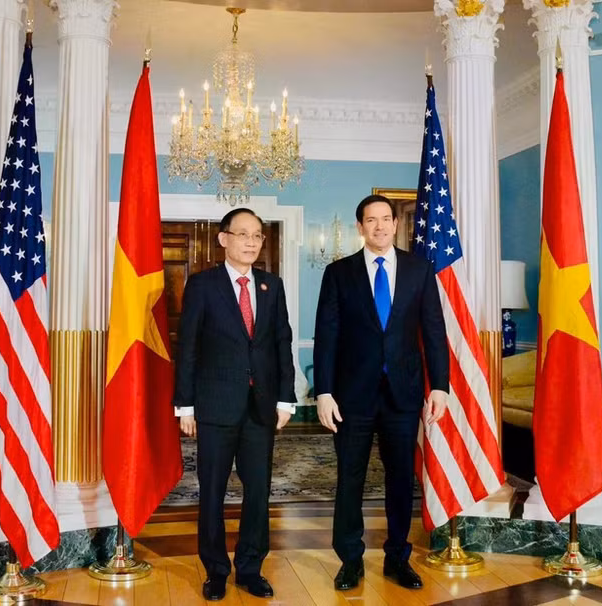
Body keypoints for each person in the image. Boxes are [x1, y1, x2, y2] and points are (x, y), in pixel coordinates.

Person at [314, 194, 449, 591]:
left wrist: (439, 385)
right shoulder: (339, 273)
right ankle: (350, 560)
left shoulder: (419, 270)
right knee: (350, 478)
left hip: (403, 396)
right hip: (351, 396)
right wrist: (324, 391)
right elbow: (327, 337)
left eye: (386, 219)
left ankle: (397, 558)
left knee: (399, 480)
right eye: (371, 220)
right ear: (360, 227)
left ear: (396, 224)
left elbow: (434, 333)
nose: (379, 226)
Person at [175, 208, 296, 601]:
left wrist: (286, 398)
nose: (250, 241)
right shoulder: (202, 285)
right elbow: (188, 347)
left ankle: (250, 568)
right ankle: (215, 571)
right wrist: (185, 406)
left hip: (260, 408)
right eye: (242, 234)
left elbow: (281, 345)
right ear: (223, 239)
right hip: (214, 407)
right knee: (211, 491)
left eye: (257, 235)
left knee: (258, 492)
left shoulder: (271, 286)